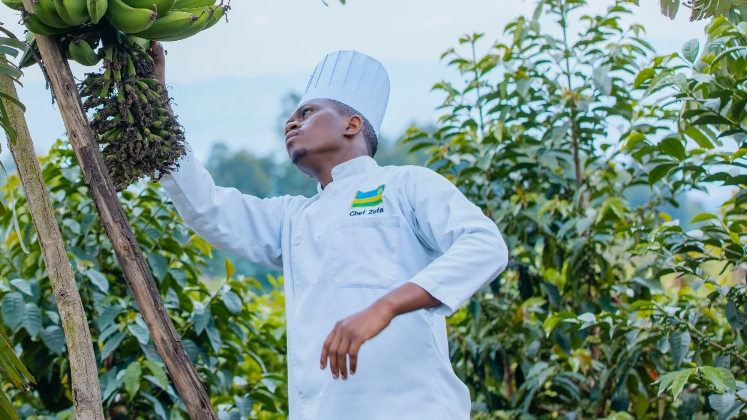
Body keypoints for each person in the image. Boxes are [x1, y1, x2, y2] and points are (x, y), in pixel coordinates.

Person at [155, 46, 508, 419]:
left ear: (352, 124)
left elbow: (484, 245)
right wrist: (158, 109)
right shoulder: (293, 217)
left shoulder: (406, 185)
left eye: (306, 113)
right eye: (290, 118)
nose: (291, 124)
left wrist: (385, 307)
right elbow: (207, 206)